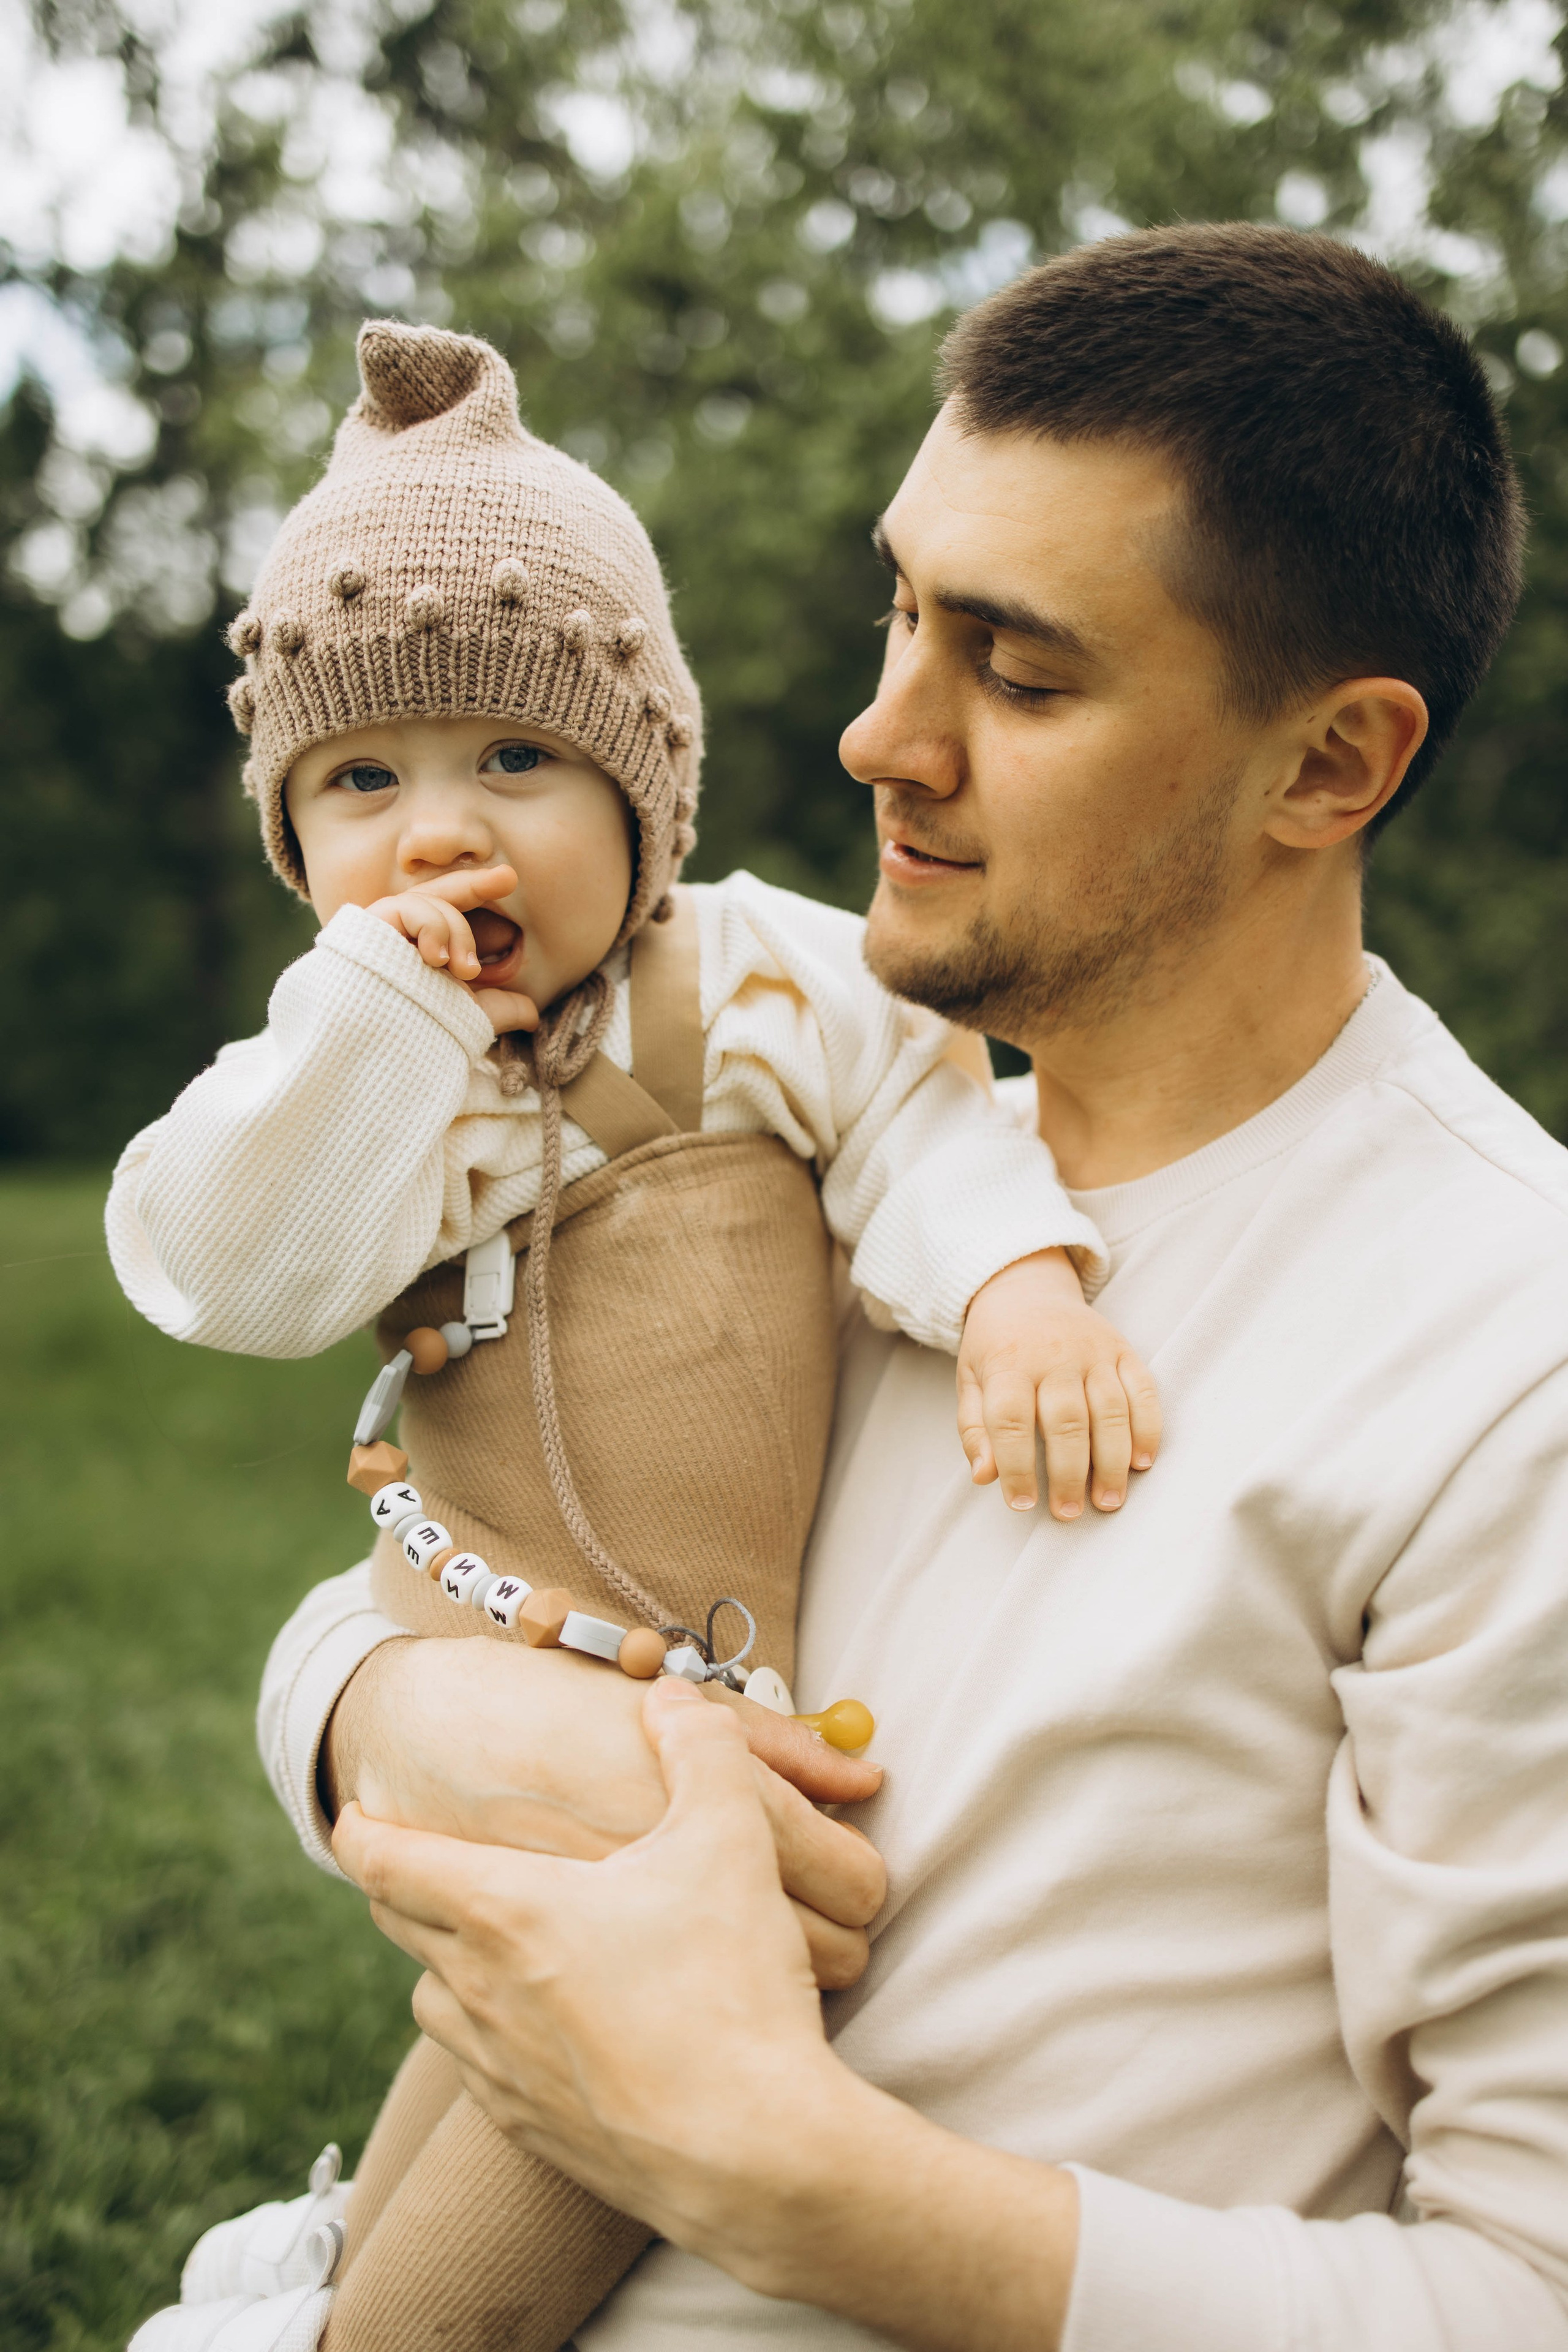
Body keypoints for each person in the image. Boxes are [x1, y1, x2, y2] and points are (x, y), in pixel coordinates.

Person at [264, 224, 1568, 2350]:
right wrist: (378, 1718)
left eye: (1020, 671)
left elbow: (1528, 2298)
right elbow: (459, 1550)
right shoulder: (798, 1116)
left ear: (1333, 766)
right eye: (902, 607)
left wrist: (770, 2169)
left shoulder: (1511, 1355)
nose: (881, 737)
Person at [110, 318, 1163, 2352]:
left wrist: (1019, 1282)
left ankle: (333, 2313)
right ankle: (337, 2307)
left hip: (697, 1697)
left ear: (644, 787)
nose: (440, 832)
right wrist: (371, 1023)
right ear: (292, 837)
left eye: (514, 761)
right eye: (361, 784)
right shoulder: (363, 1090)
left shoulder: (753, 976)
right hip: (488, 1653)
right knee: (530, 2019)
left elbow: (924, 1117)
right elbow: (218, 1269)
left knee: (577, 2054)